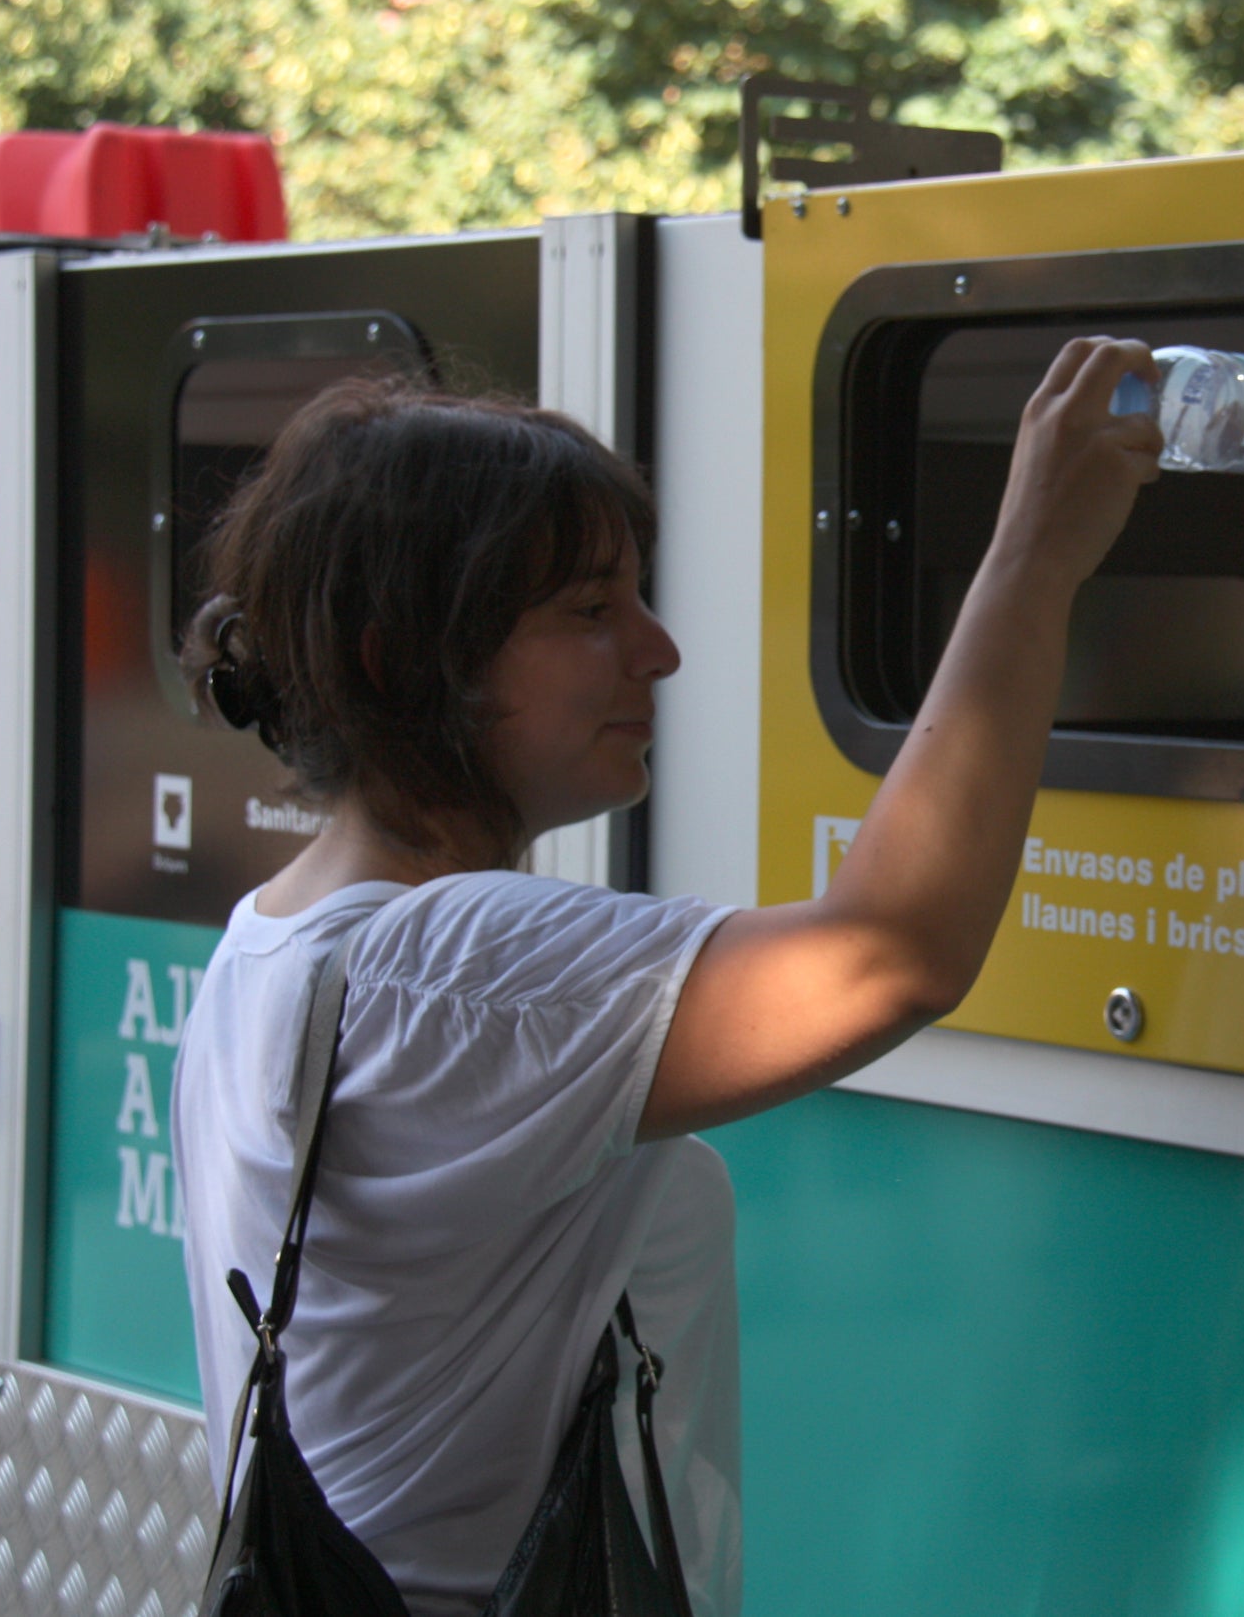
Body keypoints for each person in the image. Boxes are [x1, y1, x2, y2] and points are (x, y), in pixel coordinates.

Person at [170, 338, 1161, 1617]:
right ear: (394, 657)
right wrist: (1036, 549)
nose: (659, 649)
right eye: (590, 611)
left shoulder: (279, 935)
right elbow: (893, 951)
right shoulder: (450, 966)